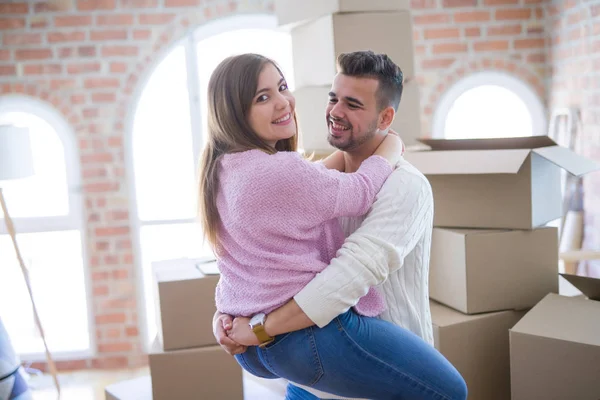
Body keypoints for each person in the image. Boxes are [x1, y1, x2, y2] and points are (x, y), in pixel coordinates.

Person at [204, 52, 467, 400]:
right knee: (453, 391)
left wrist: (248, 323)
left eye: (353, 104)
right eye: (333, 98)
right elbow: (342, 191)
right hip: (312, 357)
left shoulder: (226, 170)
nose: (335, 112)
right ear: (236, 112)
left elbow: (346, 274)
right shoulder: (296, 177)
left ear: (385, 116)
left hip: (331, 369)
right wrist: (388, 149)